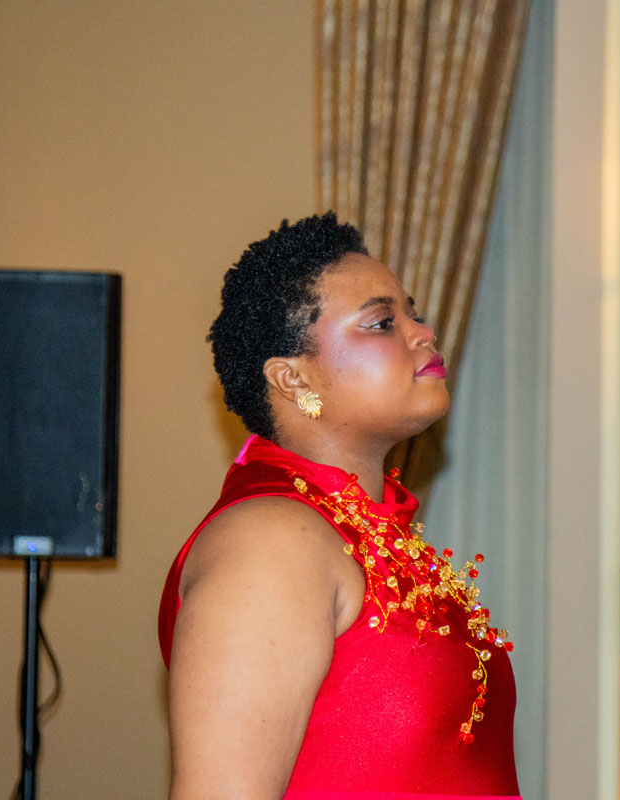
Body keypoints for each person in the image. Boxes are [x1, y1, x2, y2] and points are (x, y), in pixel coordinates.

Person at [158, 212, 520, 800]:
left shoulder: (372, 532)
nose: (423, 332)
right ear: (294, 379)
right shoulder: (271, 538)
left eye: (414, 313)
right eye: (382, 322)